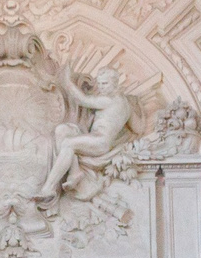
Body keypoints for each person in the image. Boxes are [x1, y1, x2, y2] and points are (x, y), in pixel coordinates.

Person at [39, 63, 136, 202]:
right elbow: (137, 128)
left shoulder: (109, 100)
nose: (101, 87)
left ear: (115, 83)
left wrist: (67, 82)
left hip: (100, 142)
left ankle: (48, 187)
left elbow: (81, 100)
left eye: (105, 83)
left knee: (68, 143)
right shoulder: (126, 104)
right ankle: (75, 171)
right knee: (63, 130)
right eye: (100, 83)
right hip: (93, 137)